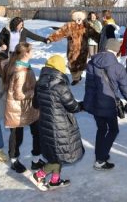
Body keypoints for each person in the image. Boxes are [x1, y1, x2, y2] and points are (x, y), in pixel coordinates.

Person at [30, 55, 84, 191]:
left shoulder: (40, 83)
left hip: (45, 124)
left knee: (57, 154)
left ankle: (55, 181)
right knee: (58, 155)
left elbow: (35, 104)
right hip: (60, 126)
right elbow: (73, 107)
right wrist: (83, 105)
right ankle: (39, 175)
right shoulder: (61, 86)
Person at [83, 38, 127, 171]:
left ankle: (100, 155)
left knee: (101, 129)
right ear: (116, 51)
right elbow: (125, 88)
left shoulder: (91, 63)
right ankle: (101, 158)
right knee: (113, 130)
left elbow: (89, 86)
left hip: (95, 104)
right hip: (109, 103)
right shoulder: (118, 67)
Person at [2, 42, 44, 173]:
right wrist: (34, 91)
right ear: (26, 53)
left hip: (29, 107)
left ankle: (36, 160)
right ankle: (14, 160)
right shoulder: (20, 71)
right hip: (18, 108)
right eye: (31, 50)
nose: (33, 52)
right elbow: (19, 94)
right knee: (16, 135)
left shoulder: (24, 65)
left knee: (37, 132)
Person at [47, 10, 100, 85]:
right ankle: (76, 78)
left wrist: (102, 40)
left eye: (80, 18)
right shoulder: (69, 26)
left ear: (82, 18)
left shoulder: (86, 26)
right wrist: (51, 38)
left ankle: (78, 76)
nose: (78, 20)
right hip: (72, 51)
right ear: (74, 18)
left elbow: (94, 34)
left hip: (83, 50)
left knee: (81, 65)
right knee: (72, 65)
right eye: (77, 18)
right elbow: (60, 32)